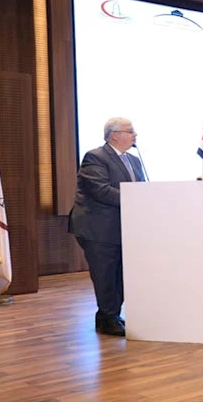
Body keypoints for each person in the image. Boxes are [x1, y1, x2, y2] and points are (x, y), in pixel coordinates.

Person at [68, 117, 145, 336]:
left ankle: (108, 316)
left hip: (123, 228)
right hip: (98, 227)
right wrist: (135, 199)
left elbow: (141, 189)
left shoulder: (134, 160)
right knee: (105, 274)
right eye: (130, 131)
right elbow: (101, 191)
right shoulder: (95, 157)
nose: (135, 135)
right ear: (114, 135)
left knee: (120, 273)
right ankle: (108, 317)